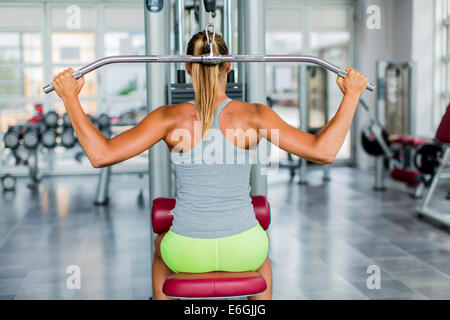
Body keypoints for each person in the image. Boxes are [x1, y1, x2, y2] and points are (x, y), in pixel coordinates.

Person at [52, 31, 367, 300]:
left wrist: (70, 99)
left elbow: (101, 154)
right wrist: (351, 96)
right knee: (263, 257)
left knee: (160, 249)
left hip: (187, 251)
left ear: (188, 68)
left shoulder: (167, 117)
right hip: (245, 248)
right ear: (230, 66)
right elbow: (322, 151)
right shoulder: (256, 115)